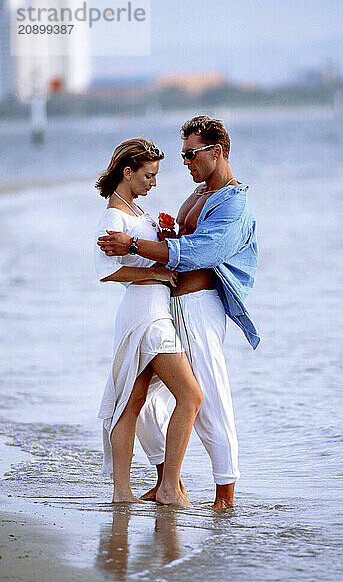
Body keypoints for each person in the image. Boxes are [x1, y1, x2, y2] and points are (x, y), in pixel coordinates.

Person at [98, 116, 259, 509]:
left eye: (190, 154)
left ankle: (225, 496)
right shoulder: (199, 193)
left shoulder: (234, 203)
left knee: (210, 399)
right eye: (184, 154)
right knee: (142, 398)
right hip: (165, 309)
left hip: (199, 309)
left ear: (216, 152)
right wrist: (167, 234)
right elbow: (179, 245)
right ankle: (165, 480)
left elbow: (201, 253)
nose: (184, 162)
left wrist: (135, 243)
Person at [94, 137, 203, 507]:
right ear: (129, 173)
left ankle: (124, 493)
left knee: (133, 400)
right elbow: (107, 272)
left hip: (153, 309)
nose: (153, 183)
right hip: (144, 314)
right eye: (149, 175)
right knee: (190, 395)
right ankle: (169, 487)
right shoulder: (114, 215)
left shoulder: (135, 211)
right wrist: (156, 275)